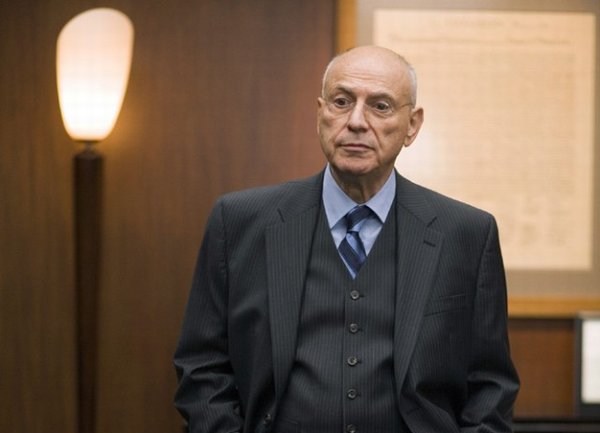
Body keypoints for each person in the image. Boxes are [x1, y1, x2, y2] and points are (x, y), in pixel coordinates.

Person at [174, 45, 519, 433]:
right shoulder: (239, 221)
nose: (356, 121)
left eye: (380, 106)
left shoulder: (467, 234)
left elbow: (491, 387)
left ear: (412, 125)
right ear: (320, 113)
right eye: (341, 102)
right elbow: (202, 366)